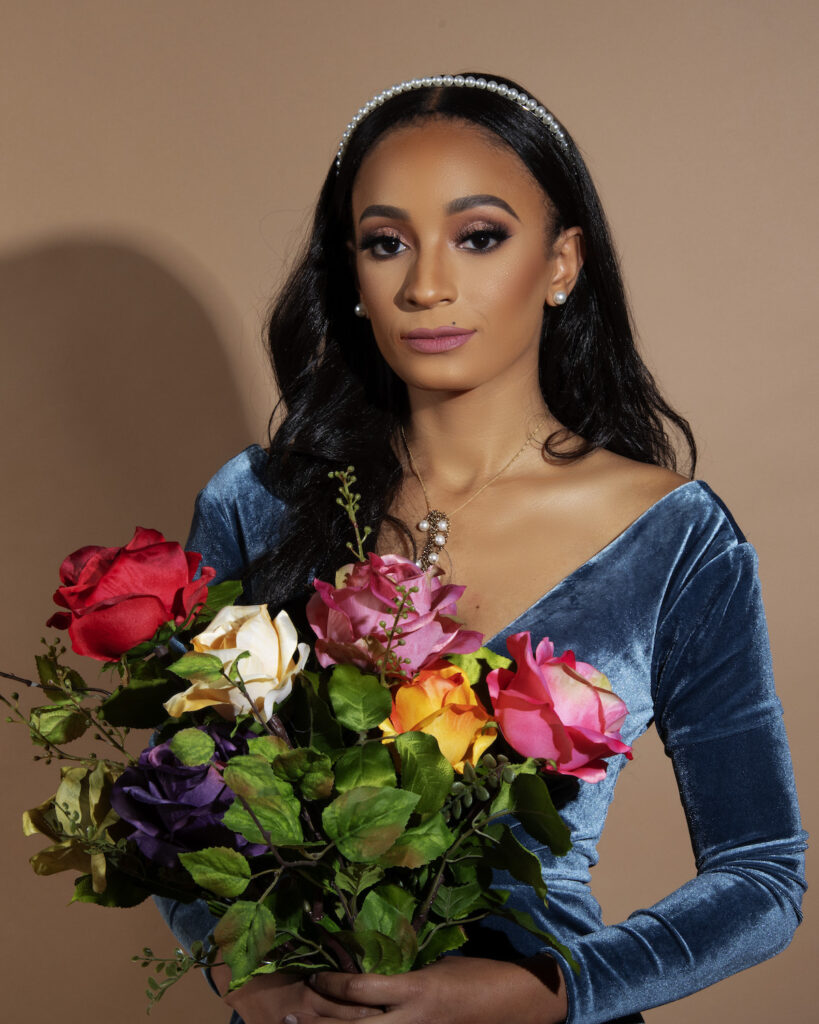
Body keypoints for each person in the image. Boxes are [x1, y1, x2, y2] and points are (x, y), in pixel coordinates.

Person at [157, 73, 807, 1024]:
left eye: (479, 236)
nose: (426, 285)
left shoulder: (673, 538)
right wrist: (256, 980)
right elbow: (175, 797)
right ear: (351, 277)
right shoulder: (256, 504)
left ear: (561, 262)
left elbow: (762, 876)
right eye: (387, 244)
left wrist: (547, 990)